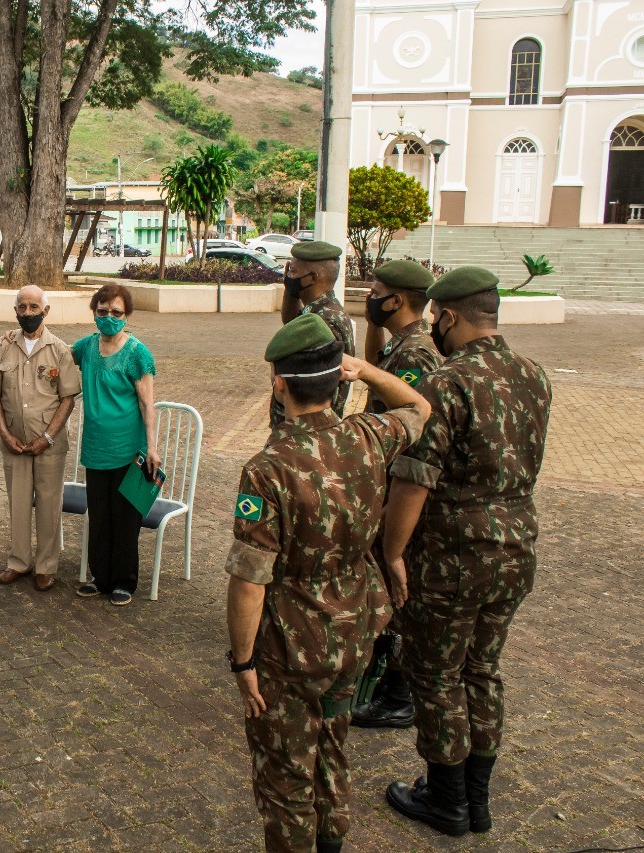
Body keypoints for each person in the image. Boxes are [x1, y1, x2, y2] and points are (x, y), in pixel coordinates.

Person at [223, 313, 431, 853]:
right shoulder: (368, 436)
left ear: (279, 384)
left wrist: (243, 662)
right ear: (336, 378)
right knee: (334, 744)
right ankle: (333, 840)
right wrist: (364, 371)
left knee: (286, 772)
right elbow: (419, 408)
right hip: (355, 629)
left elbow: (250, 579)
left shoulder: (267, 469)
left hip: (291, 643)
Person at [382, 266, 552, 837]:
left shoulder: (445, 383)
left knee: (436, 675)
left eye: (435, 317)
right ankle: (476, 802)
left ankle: (447, 800)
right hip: (515, 547)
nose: (433, 325)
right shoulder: (534, 375)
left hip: (453, 555)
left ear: (448, 316)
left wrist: (393, 552)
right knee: (482, 669)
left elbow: (414, 479)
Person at [351, 259, 443, 730]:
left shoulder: (417, 355)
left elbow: (415, 435)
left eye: (377, 291)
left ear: (400, 299)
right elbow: (375, 372)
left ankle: (396, 695)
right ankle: (384, 682)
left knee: (397, 590)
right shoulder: (400, 347)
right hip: (385, 482)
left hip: (399, 486)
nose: (370, 296)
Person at [70, 283, 159, 607]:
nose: (109, 318)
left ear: (127, 315)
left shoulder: (137, 353)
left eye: (116, 313)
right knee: (100, 515)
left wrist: (152, 447)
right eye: (103, 311)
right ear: (94, 312)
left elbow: (148, 403)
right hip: (95, 448)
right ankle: (100, 577)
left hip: (128, 450)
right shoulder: (87, 348)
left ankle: (124, 581)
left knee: (125, 519)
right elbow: (58, 355)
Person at [0, 286, 79, 591]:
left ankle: (46, 566)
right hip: (14, 443)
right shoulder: (3, 347)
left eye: (34, 307)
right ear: (15, 311)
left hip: (49, 445)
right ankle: (19, 562)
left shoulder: (60, 350)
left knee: (50, 504)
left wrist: (48, 437)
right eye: (22, 307)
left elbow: (67, 400)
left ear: (46, 311)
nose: (28, 312)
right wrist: (4, 434)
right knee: (19, 504)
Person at [273, 241, 354, 427]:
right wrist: (290, 289)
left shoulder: (326, 320)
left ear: (312, 278)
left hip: (309, 427)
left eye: (293, 272)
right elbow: (291, 324)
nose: (288, 276)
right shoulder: (317, 310)